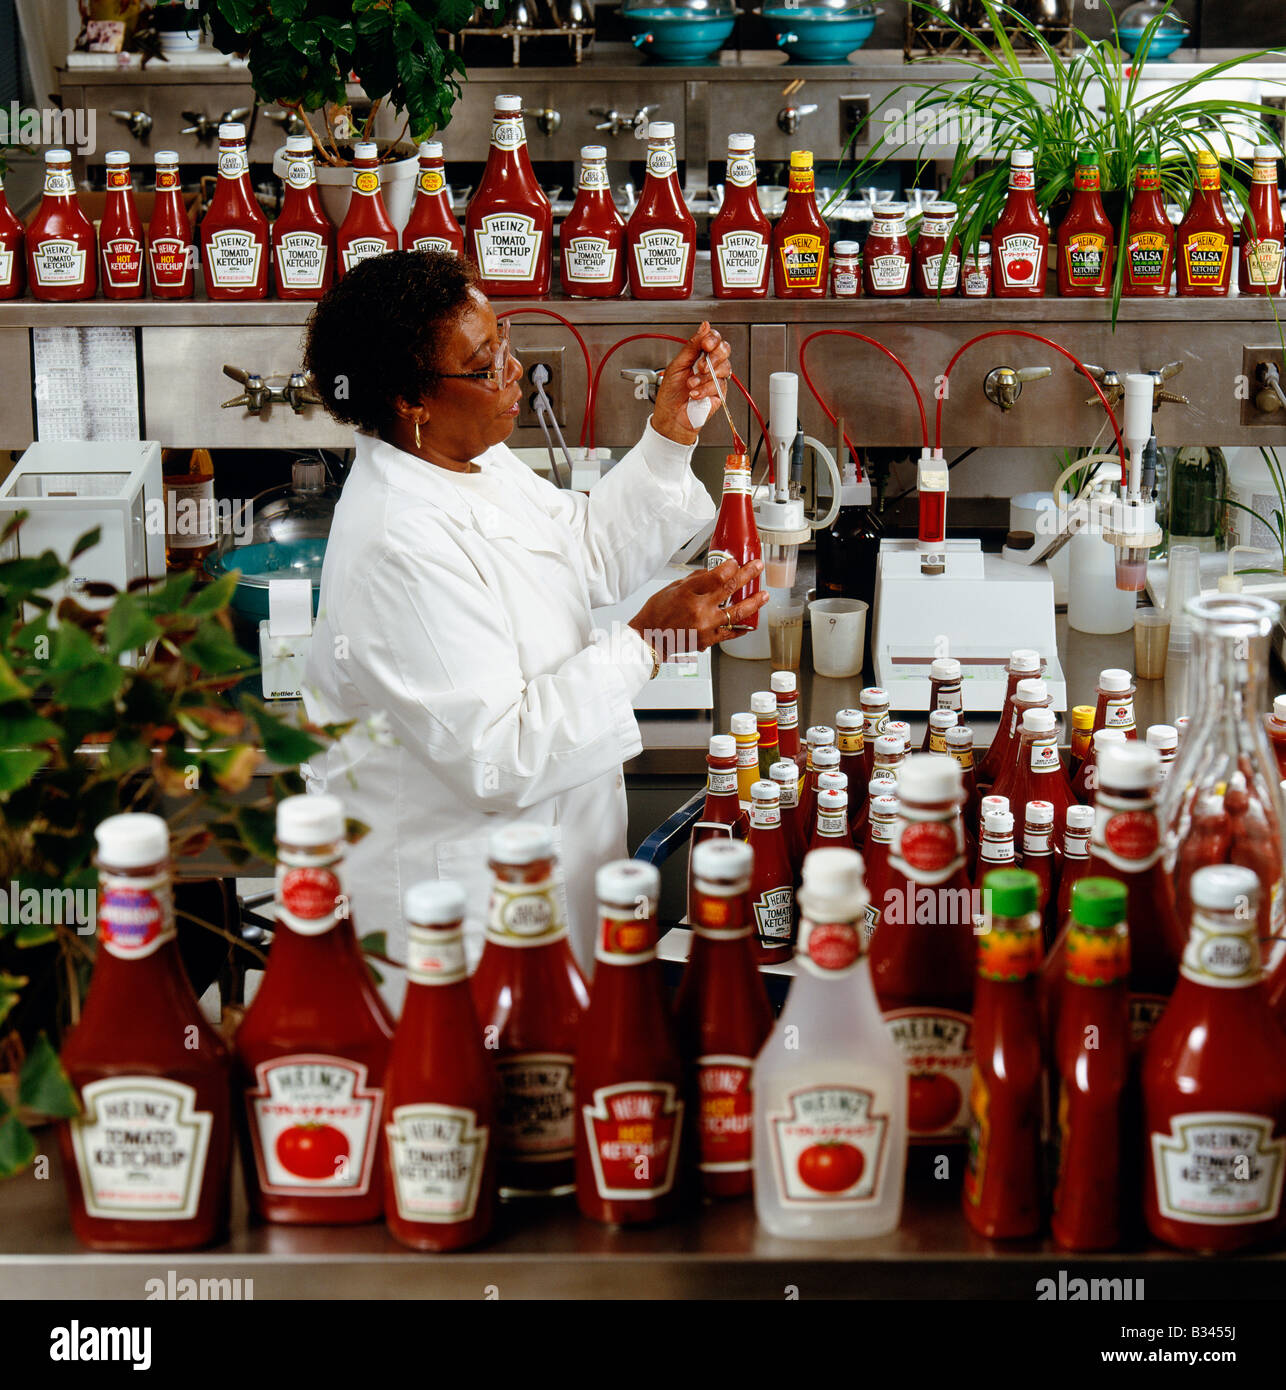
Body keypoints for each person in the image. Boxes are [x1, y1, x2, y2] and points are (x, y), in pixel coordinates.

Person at [301, 250, 765, 1002]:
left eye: (505, 342)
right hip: (464, 919)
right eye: (486, 365)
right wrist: (647, 640)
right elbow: (500, 753)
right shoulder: (397, 541)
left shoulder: (468, 460)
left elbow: (582, 550)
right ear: (410, 400)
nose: (512, 372)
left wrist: (671, 433)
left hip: (551, 881)